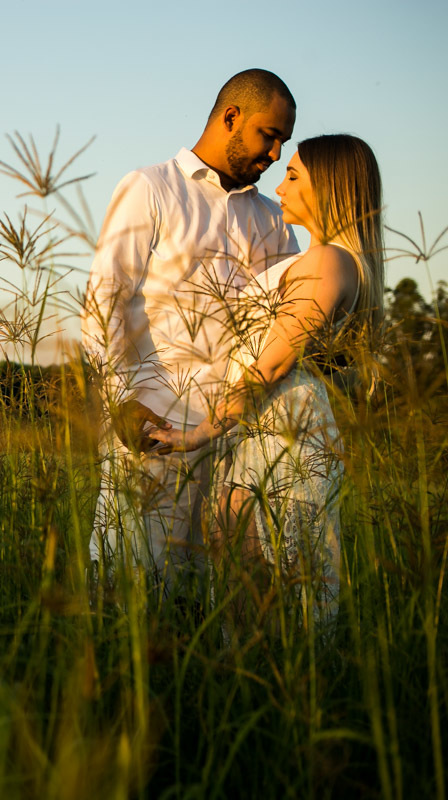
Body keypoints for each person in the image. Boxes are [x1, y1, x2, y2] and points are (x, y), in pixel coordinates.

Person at [148, 134, 384, 625]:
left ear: (330, 187)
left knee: (257, 578)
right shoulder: (329, 260)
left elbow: (272, 363)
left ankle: (270, 683)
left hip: (281, 426)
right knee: (248, 568)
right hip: (269, 422)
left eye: (294, 176)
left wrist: (197, 434)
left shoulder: (327, 261)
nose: (280, 187)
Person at [81, 69, 299, 590]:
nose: (275, 155)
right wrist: (121, 399)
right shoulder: (149, 188)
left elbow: (287, 321)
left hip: (237, 439)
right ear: (231, 118)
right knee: (129, 580)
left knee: (220, 596)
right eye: (270, 135)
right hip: (152, 426)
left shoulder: (274, 220)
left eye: (283, 143)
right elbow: (105, 302)